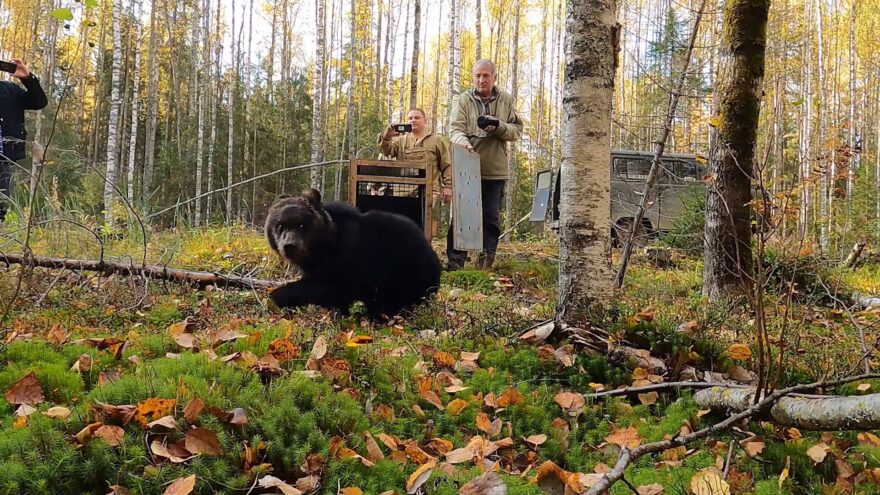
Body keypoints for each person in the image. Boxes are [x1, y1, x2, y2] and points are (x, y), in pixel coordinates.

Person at [446, 59, 523, 270]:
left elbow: (517, 131)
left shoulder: (506, 100)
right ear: (473, 77)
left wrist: (498, 126)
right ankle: (456, 262)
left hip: (495, 169)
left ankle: (486, 262)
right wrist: (463, 142)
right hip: (467, 166)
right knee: (462, 215)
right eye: (478, 76)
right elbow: (454, 129)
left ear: (494, 77)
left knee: (491, 216)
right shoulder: (463, 100)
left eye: (486, 75)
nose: (482, 80)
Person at [0, 59, 48, 223]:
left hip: (4, 159)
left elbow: (39, 102)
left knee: (1, 206)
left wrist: (27, 77)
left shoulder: (9, 90)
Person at [378, 108, 453, 205]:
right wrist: (387, 136)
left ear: (425, 121)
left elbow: (446, 164)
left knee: (425, 218)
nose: (413, 120)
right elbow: (386, 151)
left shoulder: (436, 140)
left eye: (417, 118)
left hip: (429, 192)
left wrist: (448, 186)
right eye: (410, 118)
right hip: (402, 191)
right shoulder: (400, 141)